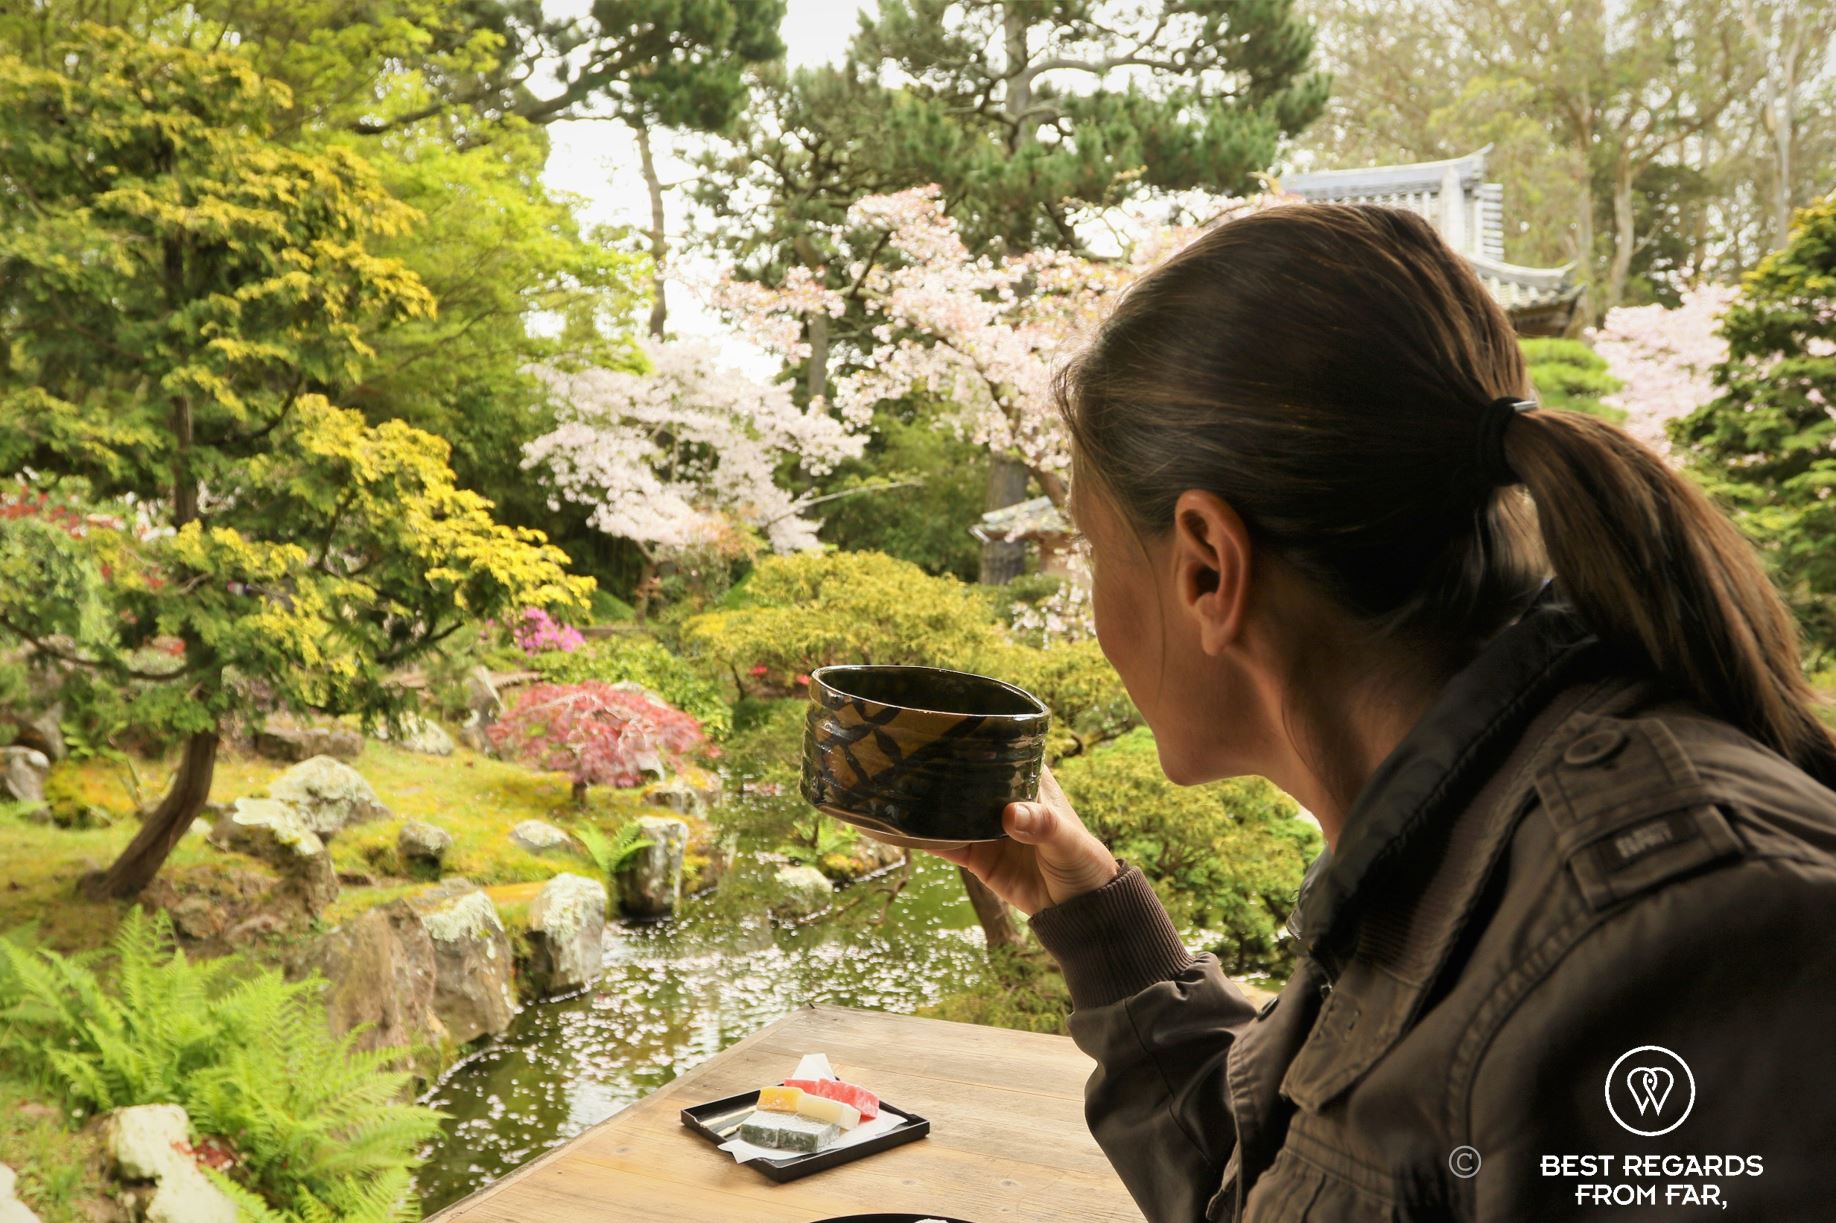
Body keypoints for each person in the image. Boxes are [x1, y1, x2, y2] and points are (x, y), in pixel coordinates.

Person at [930, 203, 1836, 1222]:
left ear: (1207, 567)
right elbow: (1300, 1182)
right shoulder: (1453, 843)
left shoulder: (1682, 940)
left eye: (1100, 554)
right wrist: (1090, 914)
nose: (1094, 611)